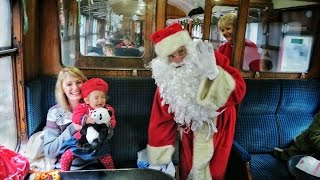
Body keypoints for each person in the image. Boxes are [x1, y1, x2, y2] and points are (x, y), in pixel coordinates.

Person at [147, 23, 246, 179]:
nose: (178, 59)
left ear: (188, 46)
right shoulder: (166, 78)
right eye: (171, 56)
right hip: (188, 130)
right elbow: (160, 120)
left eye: (181, 51)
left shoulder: (210, 57)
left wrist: (214, 74)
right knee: (188, 169)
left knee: (215, 172)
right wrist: (159, 160)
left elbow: (238, 92)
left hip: (220, 124)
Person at [59, 78, 116, 171]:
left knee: (107, 159)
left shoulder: (107, 109)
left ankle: (112, 172)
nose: (100, 100)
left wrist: (108, 124)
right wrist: (85, 119)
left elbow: (112, 120)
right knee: (66, 156)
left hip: (98, 141)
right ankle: (64, 173)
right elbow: (75, 117)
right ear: (87, 100)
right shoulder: (83, 107)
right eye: (96, 97)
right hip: (82, 139)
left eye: (103, 97)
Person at [43, 66, 94, 170]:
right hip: (64, 167)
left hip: (92, 165)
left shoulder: (94, 107)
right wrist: (73, 128)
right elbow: (49, 151)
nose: (75, 88)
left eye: (79, 82)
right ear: (62, 89)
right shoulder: (54, 113)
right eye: (69, 84)